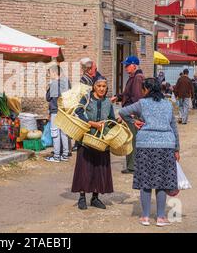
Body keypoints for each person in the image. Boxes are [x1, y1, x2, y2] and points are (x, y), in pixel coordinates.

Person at [119, 77, 180, 227]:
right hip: (166, 145)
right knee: (162, 182)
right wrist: (177, 149)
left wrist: (134, 122)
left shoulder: (142, 103)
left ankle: (145, 217)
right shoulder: (167, 104)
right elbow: (174, 127)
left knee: (146, 182)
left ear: (146, 90)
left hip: (145, 145)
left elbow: (122, 112)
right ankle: (160, 217)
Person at [72, 75, 115, 210]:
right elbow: (78, 112)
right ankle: (82, 197)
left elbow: (111, 119)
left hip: (101, 141)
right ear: (94, 87)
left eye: (104, 86)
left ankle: (95, 198)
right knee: (84, 169)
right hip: (86, 139)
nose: (102, 89)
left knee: (99, 169)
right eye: (99, 86)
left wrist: (117, 123)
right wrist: (91, 123)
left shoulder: (108, 103)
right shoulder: (86, 99)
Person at [111, 56, 144, 174]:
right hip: (130, 113)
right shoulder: (132, 77)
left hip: (133, 115)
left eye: (127, 65)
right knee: (131, 139)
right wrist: (118, 97)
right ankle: (132, 165)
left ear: (134, 65)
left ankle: (133, 167)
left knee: (132, 140)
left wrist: (129, 114)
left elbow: (136, 99)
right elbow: (127, 94)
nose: (125, 68)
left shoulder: (137, 78)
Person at [45, 65, 71, 162]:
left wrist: (49, 87)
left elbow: (48, 98)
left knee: (55, 133)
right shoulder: (67, 83)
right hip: (65, 111)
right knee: (64, 133)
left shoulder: (54, 84)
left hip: (56, 111)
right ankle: (65, 155)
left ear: (55, 73)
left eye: (50, 73)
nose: (49, 75)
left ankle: (56, 156)